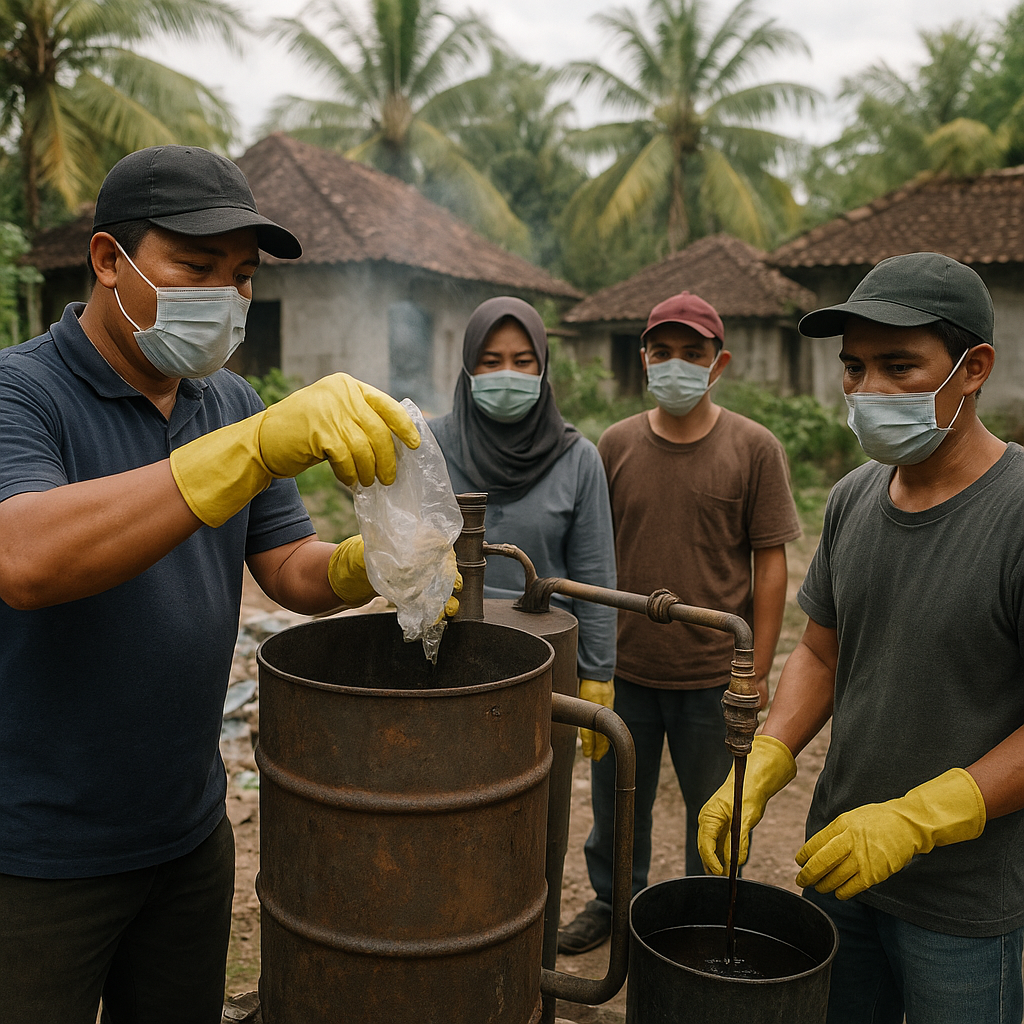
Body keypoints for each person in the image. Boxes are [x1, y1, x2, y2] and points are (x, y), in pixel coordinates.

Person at [0, 145, 433, 1024]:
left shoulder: (228, 401)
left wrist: (371, 565)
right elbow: (27, 559)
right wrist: (252, 450)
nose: (226, 297)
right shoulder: (22, 394)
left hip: (189, 833)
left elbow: (287, 569)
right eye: (195, 266)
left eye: (241, 277)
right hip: (37, 853)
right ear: (107, 261)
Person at [698, 252, 1024, 1024]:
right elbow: (821, 650)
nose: (868, 390)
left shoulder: (1015, 515)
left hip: (967, 904)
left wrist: (921, 817)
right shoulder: (852, 498)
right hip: (841, 869)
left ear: (973, 367)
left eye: (899, 366)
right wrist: (770, 757)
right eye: (854, 367)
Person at [558, 291, 801, 955]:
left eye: (692, 354)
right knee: (617, 801)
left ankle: (704, 917)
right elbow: (589, 550)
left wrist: (753, 671)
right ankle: (613, 904)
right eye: (662, 352)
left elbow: (771, 564)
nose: (676, 366)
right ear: (643, 360)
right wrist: (590, 660)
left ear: (717, 364)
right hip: (624, 669)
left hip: (711, 676)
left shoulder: (754, 448)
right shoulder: (614, 445)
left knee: (715, 808)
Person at [431, 296, 618, 748]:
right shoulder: (429, 446)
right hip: (444, 655)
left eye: (522, 360)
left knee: (534, 799)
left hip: (546, 659)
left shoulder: (577, 459)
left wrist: (597, 673)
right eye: (491, 361)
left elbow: (594, 576)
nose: (507, 374)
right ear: (469, 368)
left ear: (543, 367)